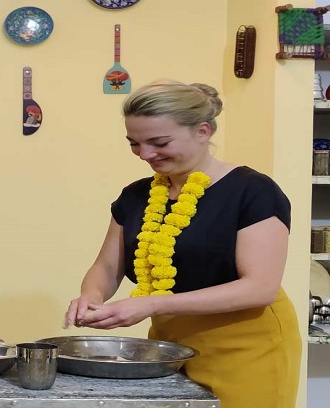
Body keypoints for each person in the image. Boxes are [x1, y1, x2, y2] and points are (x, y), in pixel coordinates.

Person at [64, 80, 301, 408]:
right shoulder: (136, 195)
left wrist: (150, 305)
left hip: (247, 344)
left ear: (203, 131)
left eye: (159, 142)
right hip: (168, 344)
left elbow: (260, 288)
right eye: (135, 143)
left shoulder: (252, 191)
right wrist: (90, 299)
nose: (146, 155)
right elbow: (106, 267)